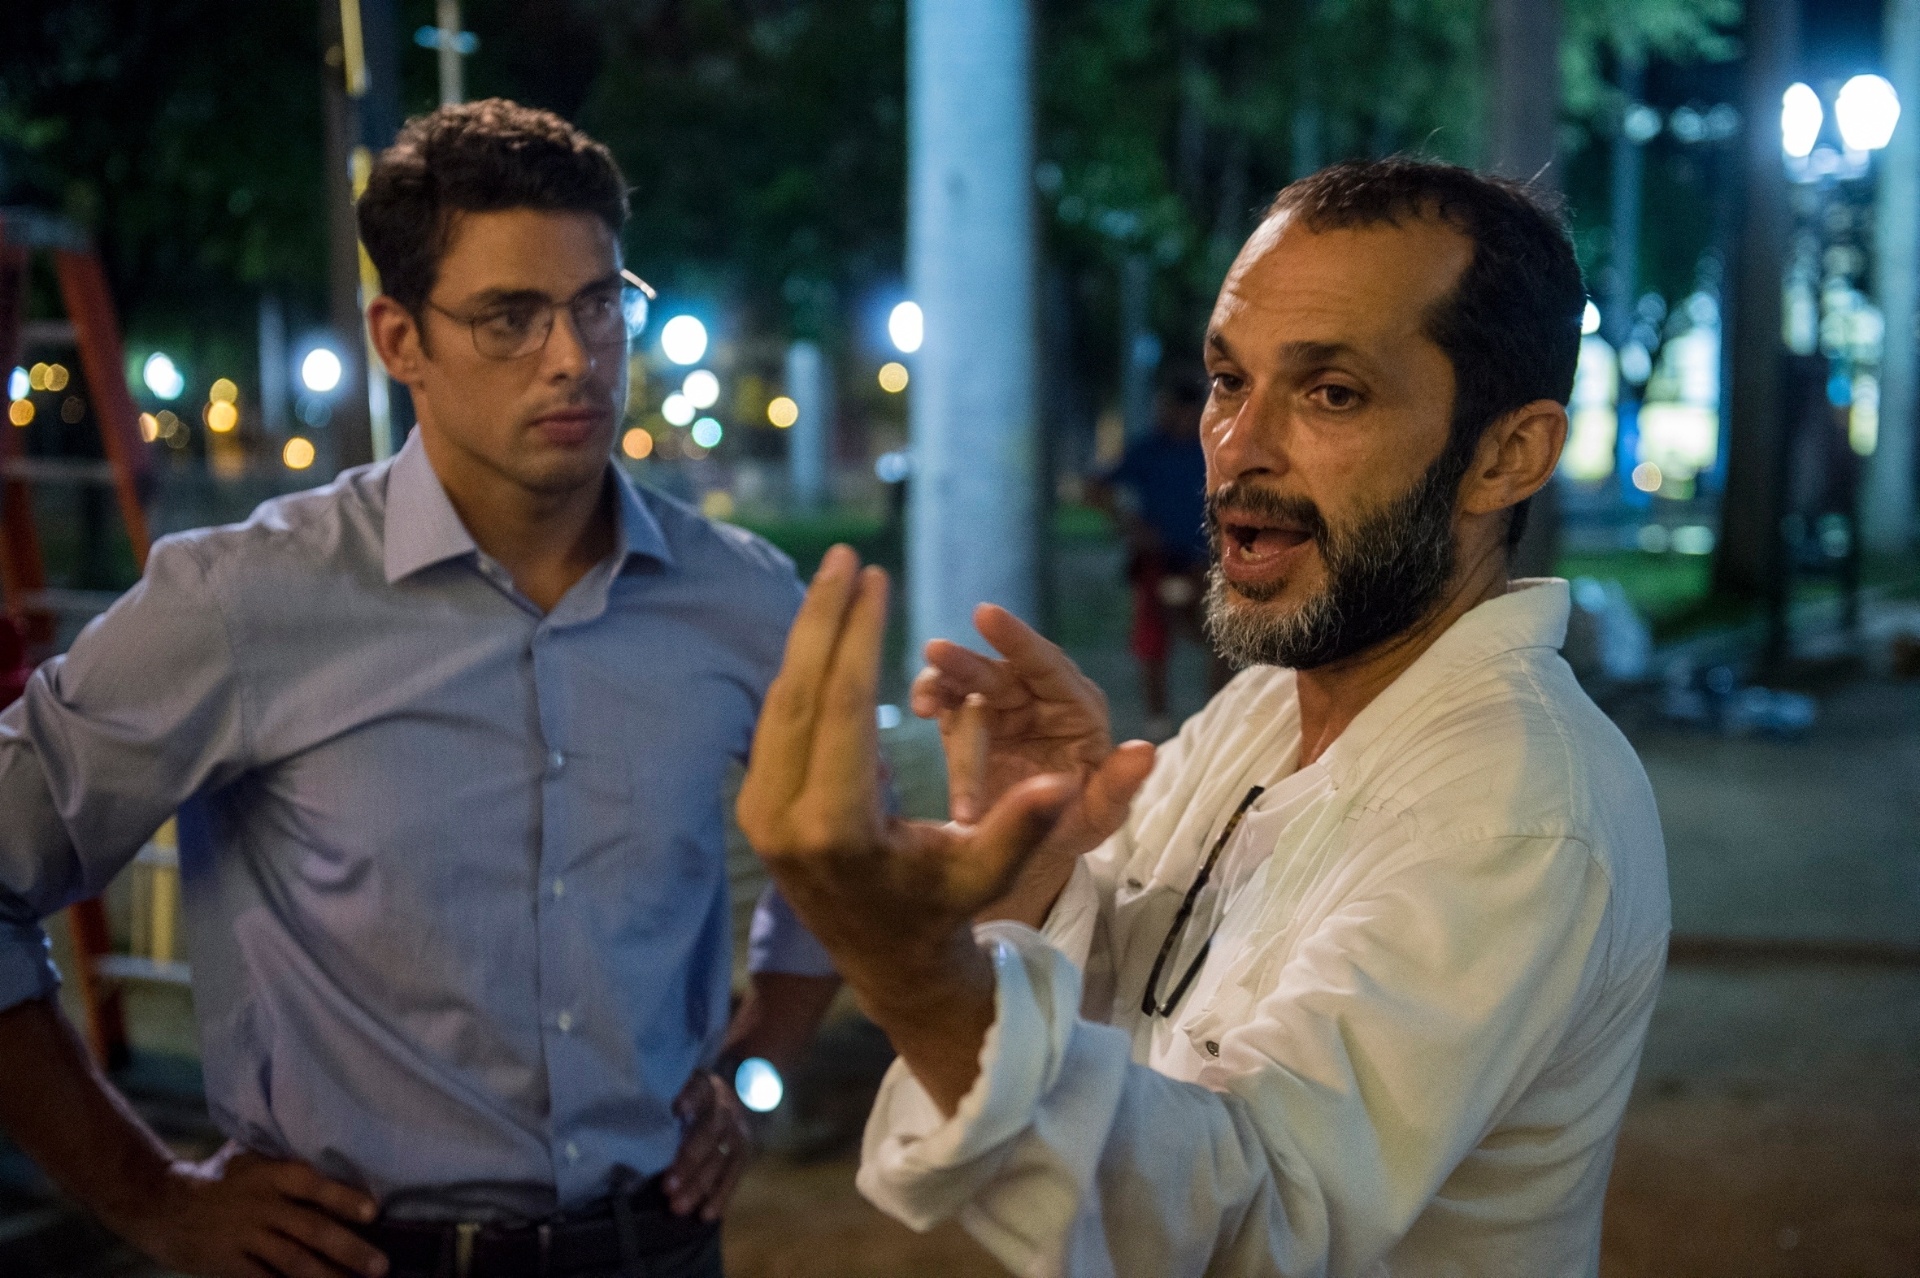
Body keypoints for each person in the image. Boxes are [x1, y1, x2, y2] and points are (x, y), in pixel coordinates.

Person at [735, 158, 1669, 1276]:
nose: (1237, 447)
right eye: (1229, 380)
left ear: (1506, 456)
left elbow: (1248, 1221)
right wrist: (1039, 865)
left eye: (1331, 393)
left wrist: (908, 966)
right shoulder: (1266, 709)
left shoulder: (1515, 811)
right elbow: (1120, 1059)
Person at [0, 100, 839, 1278]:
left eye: (600, 304)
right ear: (400, 340)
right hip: (352, 1256)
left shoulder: (740, 599)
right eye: (511, 317)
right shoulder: (245, 601)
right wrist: (147, 1198)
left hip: (655, 1248)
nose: (573, 357)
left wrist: (757, 1073)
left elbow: (850, 856)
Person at [1086, 366, 1227, 741]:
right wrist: (1129, 523)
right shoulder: (1148, 449)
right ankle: (1157, 719)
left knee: (1218, 633)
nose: (1174, 417)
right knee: (1153, 635)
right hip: (1158, 558)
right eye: (1168, 408)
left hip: (1207, 559)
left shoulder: (1214, 450)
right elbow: (1096, 488)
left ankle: (1218, 716)